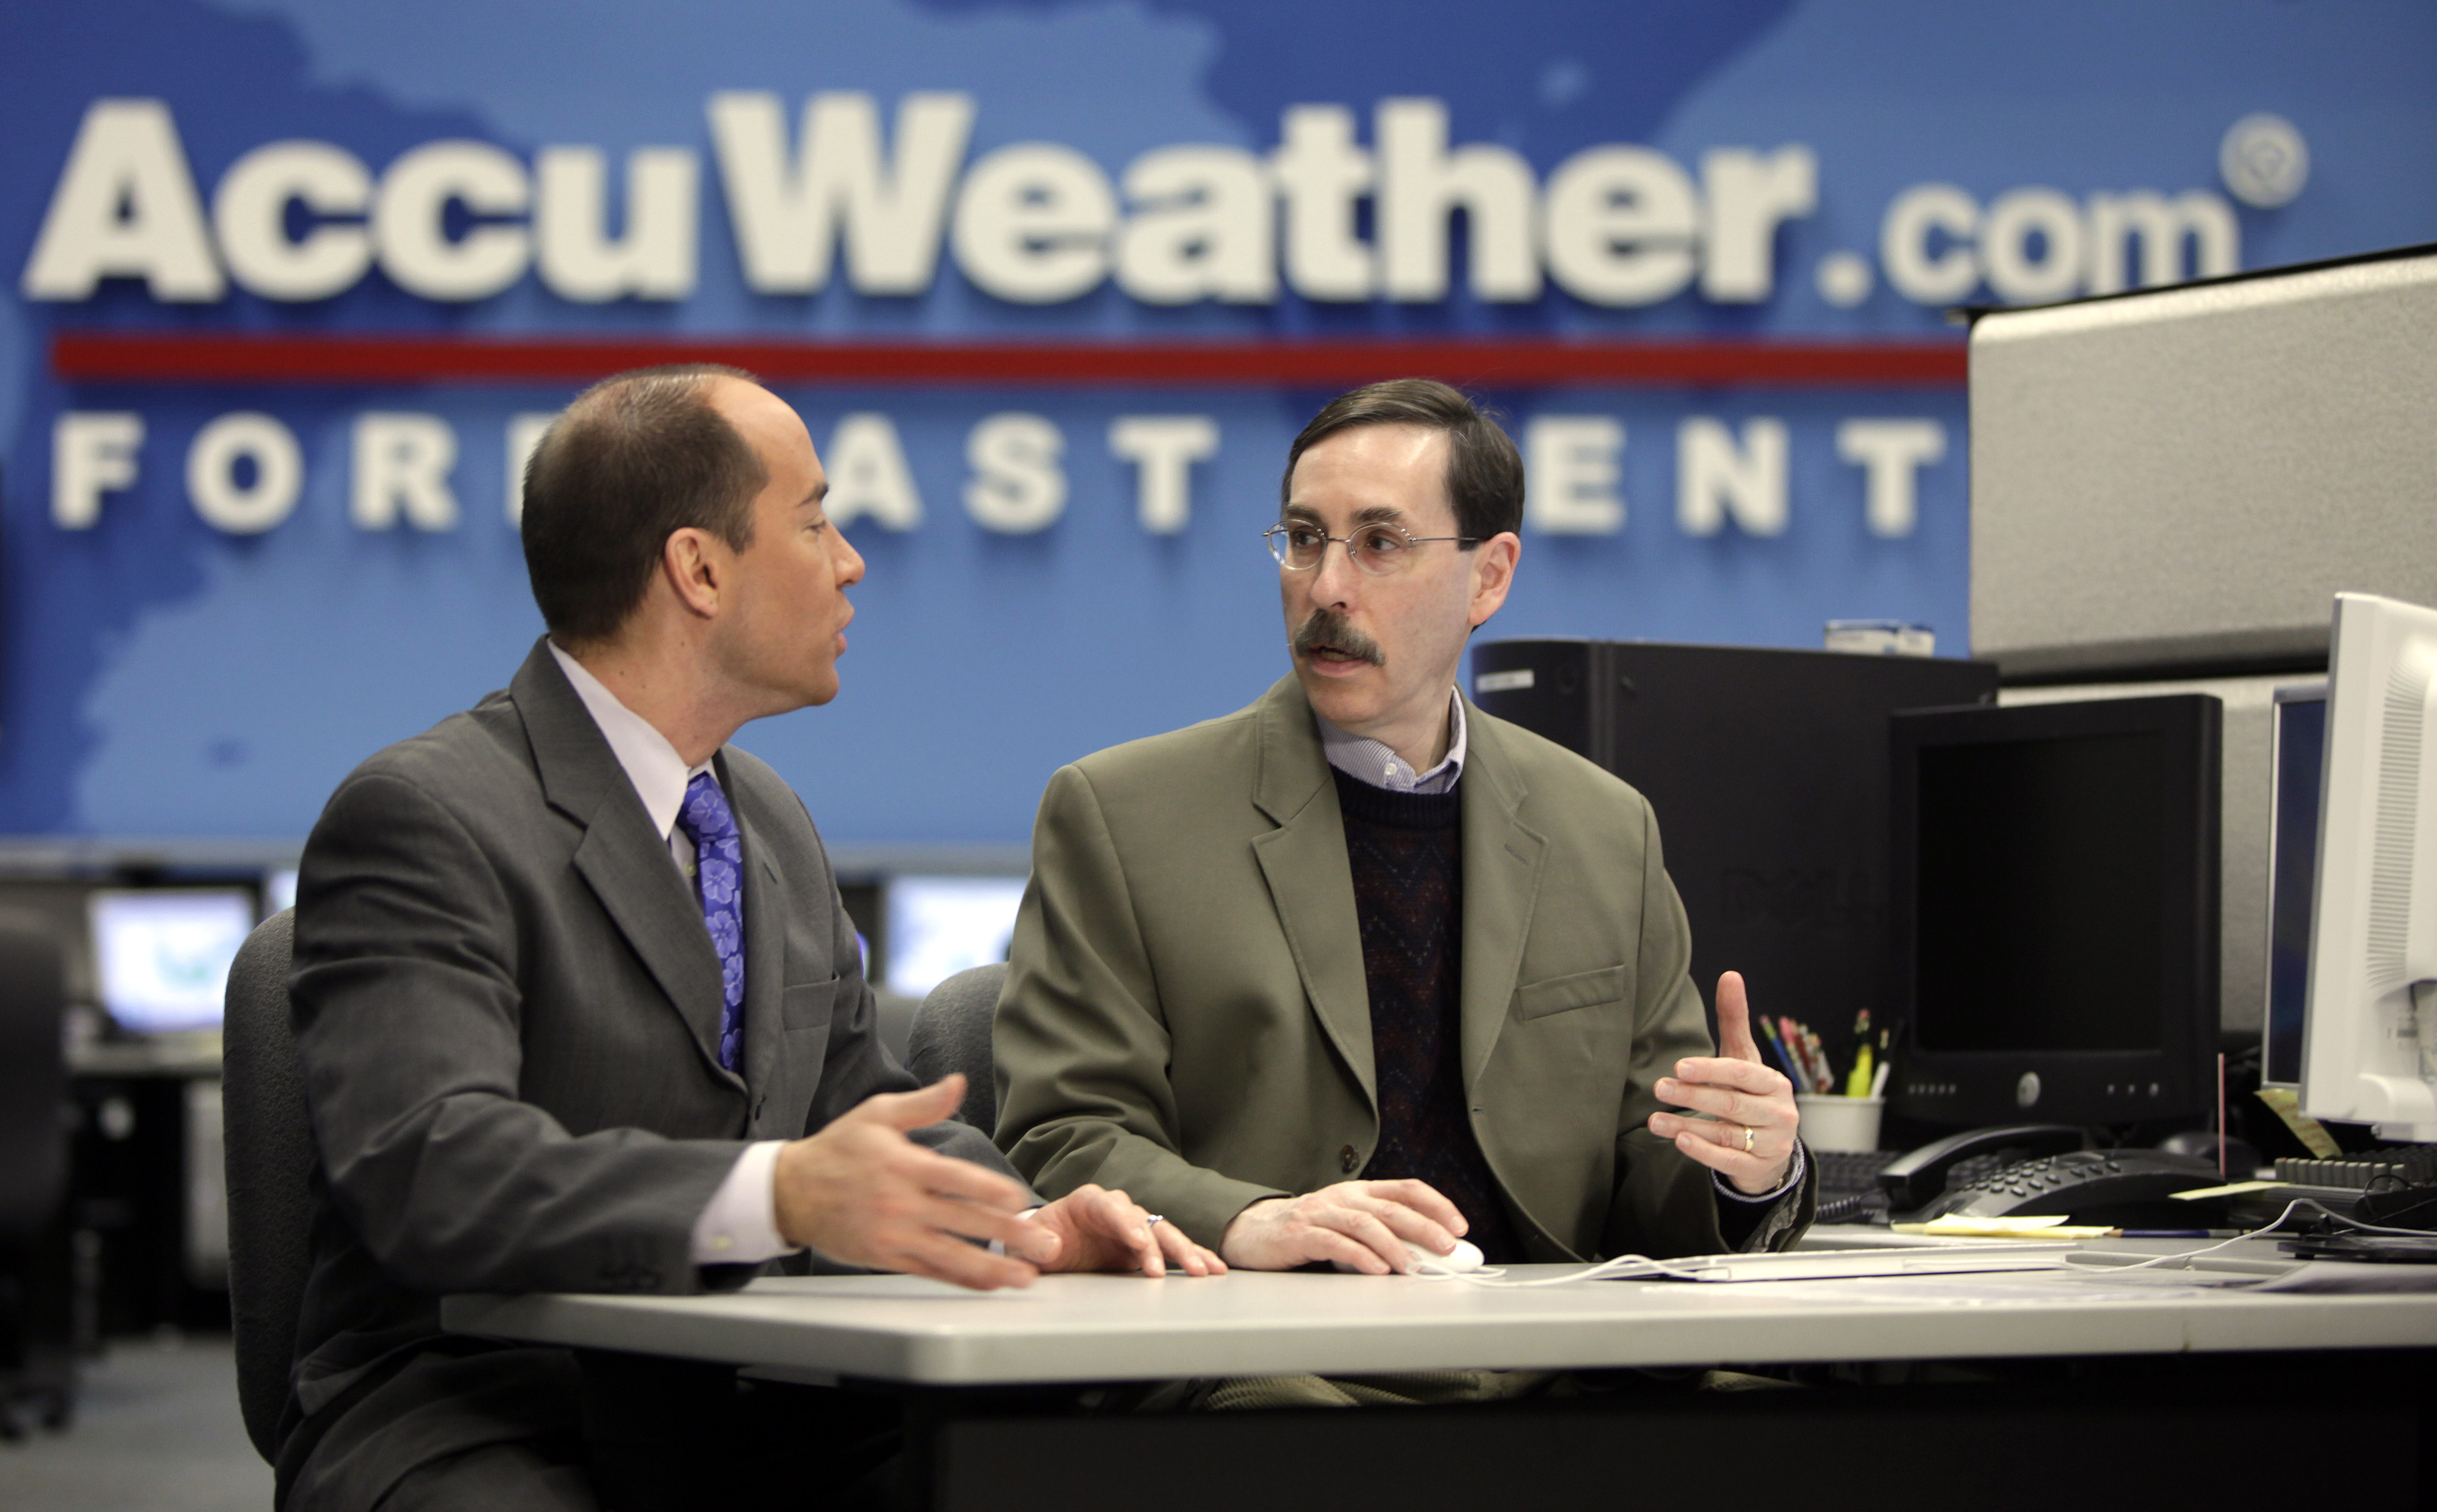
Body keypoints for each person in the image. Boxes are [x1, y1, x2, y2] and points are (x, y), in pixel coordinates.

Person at [280, 366, 1221, 1512]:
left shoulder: (763, 816)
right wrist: (775, 1194)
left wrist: (1024, 1227)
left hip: (756, 1397)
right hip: (492, 1403)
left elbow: (860, 1112)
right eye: (816, 521)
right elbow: (435, 1168)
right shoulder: (424, 814)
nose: (850, 561)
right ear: (699, 569)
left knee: (1099, 1454)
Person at [994, 379, 1814, 1300]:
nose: (1326, 588)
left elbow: (1652, 1188)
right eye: (1305, 539)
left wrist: (1747, 1169)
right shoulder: (1123, 816)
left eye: (1379, 544)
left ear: (1489, 576)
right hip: (1268, 1340)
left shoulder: (1605, 830)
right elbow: (1062, 1137)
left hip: (1556, 1343)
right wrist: (1246, 1217)